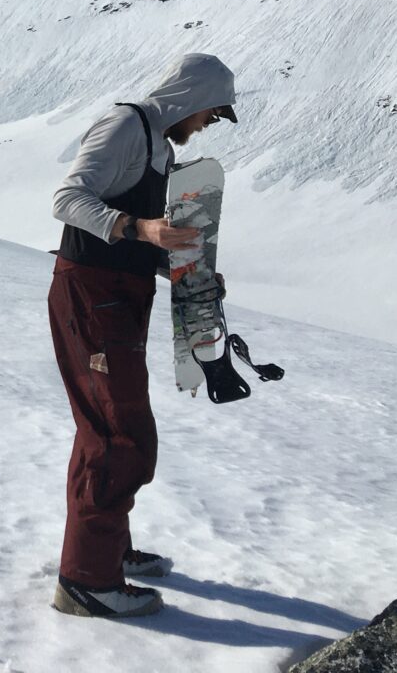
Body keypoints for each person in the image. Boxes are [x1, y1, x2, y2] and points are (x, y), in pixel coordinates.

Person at [47, 52, 237, 618]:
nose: (209, 124)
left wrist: (174, 265)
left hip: (117, 296)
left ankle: (107, 551)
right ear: (190, 98)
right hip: (91, 296)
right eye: (211, 113)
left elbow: (129, 235)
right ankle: (85, 582)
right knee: (120, 435)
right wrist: (141, 226)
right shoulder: (126, 125)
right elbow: (67, 200)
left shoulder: (160, 145)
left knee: (102, 429)